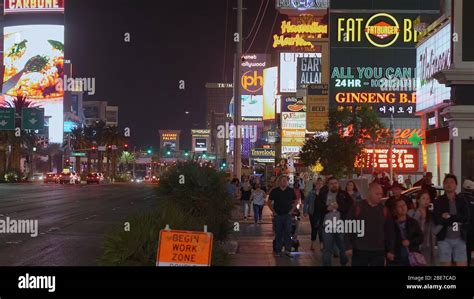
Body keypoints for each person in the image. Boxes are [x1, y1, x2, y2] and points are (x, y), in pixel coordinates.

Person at [345, 182, 395, 267]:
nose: (380, 196)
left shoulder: (384, 210)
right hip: (360, 250)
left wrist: (391, 250)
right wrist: (348, 246)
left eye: (381, 194)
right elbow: (348, 227)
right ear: (369, 193)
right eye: (377, 193)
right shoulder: (357, 207)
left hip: (378, 251)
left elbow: (389, 231)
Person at [433, 174, 470, 267]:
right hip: (444, 239)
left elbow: (465, 218)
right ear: (443, 185)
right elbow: (438, 219)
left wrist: (449, 217)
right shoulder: (438, 201)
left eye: (451, 182)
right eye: (446, 182)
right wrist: (456, 219)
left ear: (456, 185)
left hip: (460, 238)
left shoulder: (462, 200)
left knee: (462, 263)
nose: (449, 184)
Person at [320, 177, 354, 266]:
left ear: (338, 184)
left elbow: (351, 206)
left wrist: (339, 207)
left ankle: (344, 262)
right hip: (327, 226)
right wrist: (327, 209)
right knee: (327, 248)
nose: (334, 185)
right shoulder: (323, 194)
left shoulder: (344, 194)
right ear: (328, 185)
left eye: (335, 183)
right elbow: (318, 208)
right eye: (331, 183)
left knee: (343, 247)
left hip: (340, 225)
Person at [268, 175, 298, 257]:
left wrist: (291, 211)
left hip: (287, 215)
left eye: (285, 180)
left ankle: (288, 250)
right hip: (278, 215)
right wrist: (273, 212)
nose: (283, 182)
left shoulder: (290, 191)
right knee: (278, 233)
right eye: (282, 180)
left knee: (288, 232)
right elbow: (269, 202)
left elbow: (296, 201)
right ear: (279, 182)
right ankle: (278, 250)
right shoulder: (275, 191)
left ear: (287, 182)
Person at [389, 199, 424, 266]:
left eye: (404, 205)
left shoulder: (413, 222)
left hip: (411, 256)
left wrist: (410, 242)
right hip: (397, 257)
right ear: (395, 209)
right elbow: (388, 239)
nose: (403, 208)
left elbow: (420, 237)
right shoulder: (391, 223)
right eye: (400, 206)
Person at [408, 190, 436, 265]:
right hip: (415, 246)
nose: (426, 201)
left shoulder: (430, 214)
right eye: (423, 198)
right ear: (418, 200)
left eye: (428, 199)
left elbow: (434, 230)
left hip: (427, 246)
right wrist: (418, 213)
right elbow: (411, 227)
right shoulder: (412, 212)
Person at [304, 178, 325, 251]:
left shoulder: (325, 193)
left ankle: (322, 245)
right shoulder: (311, 193)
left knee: (321, 229)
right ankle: (312, 244)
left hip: (322, 213)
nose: (319, 185)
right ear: (315, 184)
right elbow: (306, 202)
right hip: (313, 213)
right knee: (314, 228)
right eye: (317, 183)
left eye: (320, 184)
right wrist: (305, 211)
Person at [461, 179, 474, 266]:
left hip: (460, 229)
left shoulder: (458, 198)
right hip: (472, 229)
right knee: (469, 249)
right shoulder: (473, 199)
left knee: (461, 250)